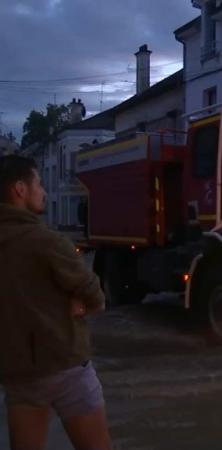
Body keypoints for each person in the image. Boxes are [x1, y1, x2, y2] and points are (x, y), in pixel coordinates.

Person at [0, 155, 111, 450]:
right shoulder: (46, 241)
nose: (45, 192)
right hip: (65, 366)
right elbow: (94, 294)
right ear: (20, 189)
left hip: (18, 372)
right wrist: (82, 303)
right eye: (39, 183)